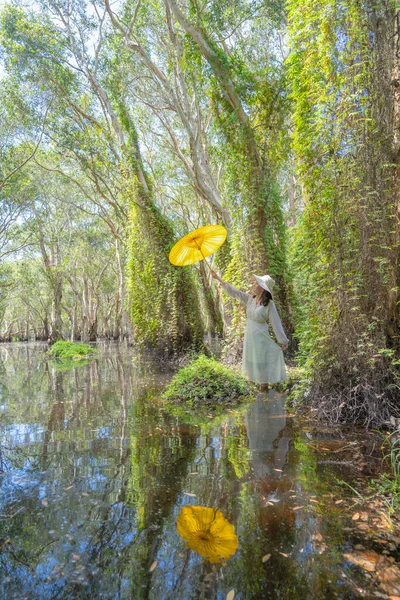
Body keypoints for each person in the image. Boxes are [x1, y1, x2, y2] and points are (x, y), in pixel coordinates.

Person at [211, 271, 289, 391]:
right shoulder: (250, 299)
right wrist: (218, 279)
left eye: (256, 284)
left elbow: (276, 322)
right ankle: (259, 390)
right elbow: (235, 292)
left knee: (261, 361)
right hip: (250, 335)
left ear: (263, 288)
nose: (254, 285)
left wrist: (283, 340)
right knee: (253, 361)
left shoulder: (269, 304)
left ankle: (264, 390)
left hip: (261, 336)